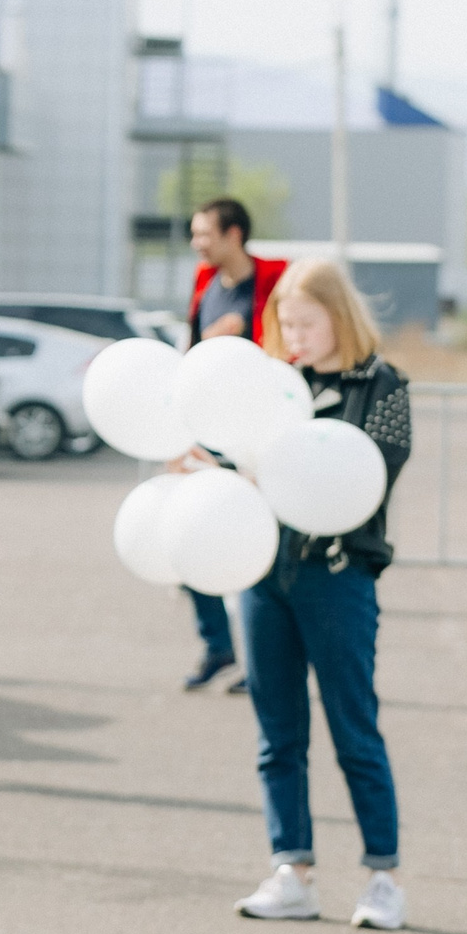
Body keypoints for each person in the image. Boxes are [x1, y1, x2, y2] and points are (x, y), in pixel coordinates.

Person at [227, 258, 411, 933]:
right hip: (264, 569)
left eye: (306, 320)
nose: (293, 334)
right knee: (277, 730)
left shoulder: (381, 384)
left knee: (353, 726)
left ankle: (383, 875)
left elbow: (378, 470)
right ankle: (291, 870)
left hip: (337, 574)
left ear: (341, 316)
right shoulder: (274, 387)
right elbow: (243, 464)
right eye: (284, 321)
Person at [180, 197, 288, 693]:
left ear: (234, 234)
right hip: (206, 434)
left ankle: (258, 660)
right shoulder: (204, 286)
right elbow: (190, 360)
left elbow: (289, 354)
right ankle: (219, 647)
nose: (197, 243)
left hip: (255, 434)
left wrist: (247, 341)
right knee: (189, 541)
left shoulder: (274, 281)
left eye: (205, 234)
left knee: (250, 548)